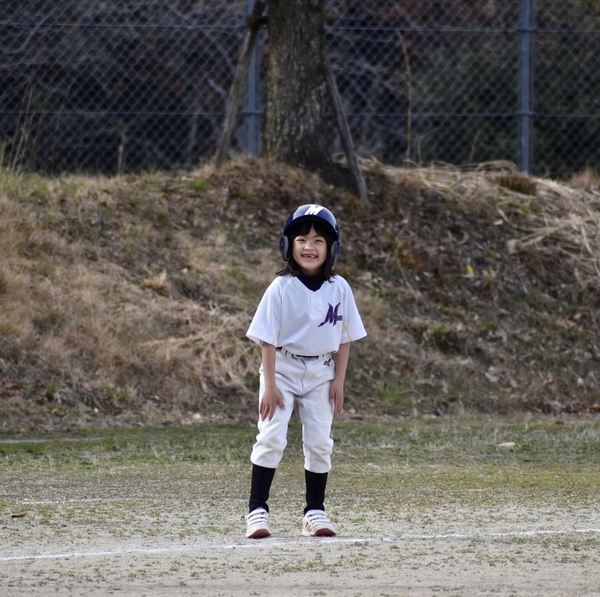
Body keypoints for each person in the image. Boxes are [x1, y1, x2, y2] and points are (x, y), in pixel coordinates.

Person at [245, 203, 367, 539]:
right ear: (288, 245)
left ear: (332, 249)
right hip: (281, 369)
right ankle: (257, 511)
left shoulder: (339, 288)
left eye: (318, 240)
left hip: (321, 373)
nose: (309, 247)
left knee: (319, 443)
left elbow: (345, 338)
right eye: (301, 239)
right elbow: (266, 340)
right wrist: (269, 385)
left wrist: (339, 381)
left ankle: (314, 511)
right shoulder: (281, 287)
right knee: (271, 436)